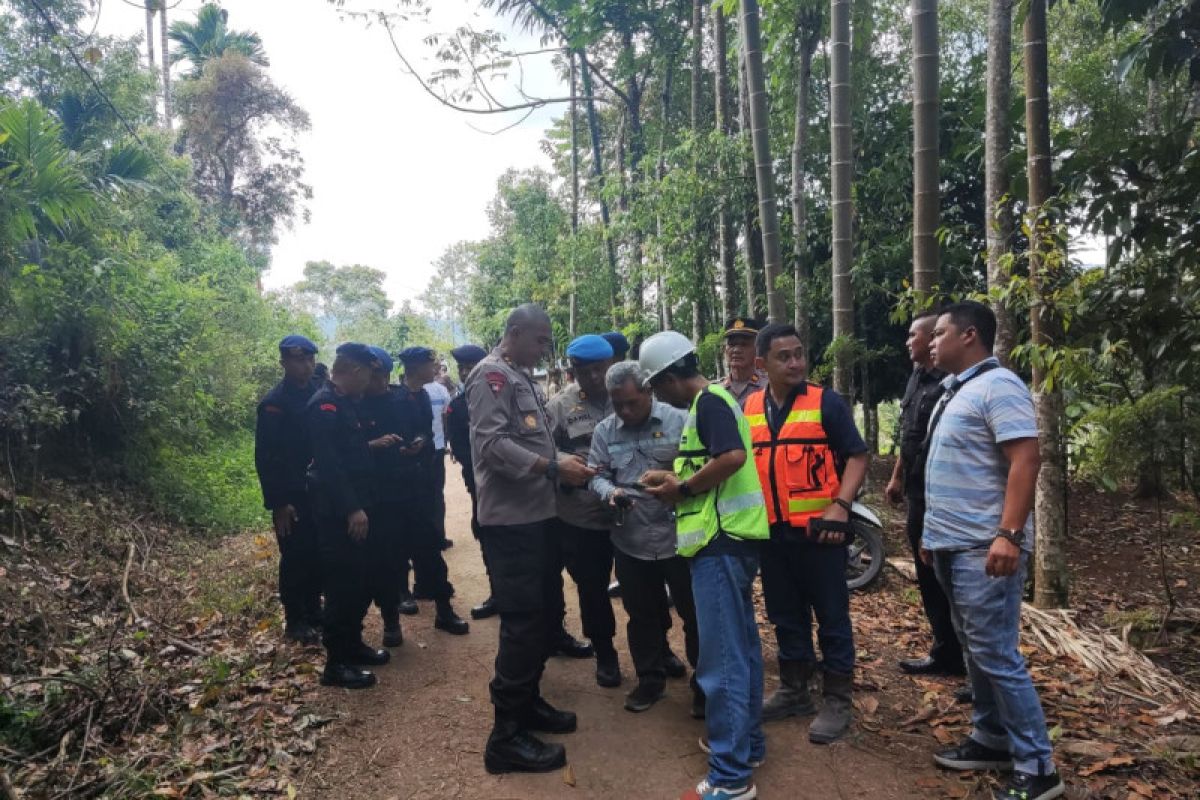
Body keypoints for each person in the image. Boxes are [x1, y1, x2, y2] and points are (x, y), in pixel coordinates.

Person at [924, 301, 1064, 800]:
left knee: (997, 654)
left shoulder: (999, 385)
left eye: (939, 333)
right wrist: (932, 537)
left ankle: (1038, 765)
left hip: (984, 547)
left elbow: (1026, 459)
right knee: (976, 650)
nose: (931, 341)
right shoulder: (960, 389)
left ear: (968, 336)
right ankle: (990, 737)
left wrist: (1008, 534)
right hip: (953, 544)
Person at [637, 330, 768, 800]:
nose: (657, 396)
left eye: (655, 385)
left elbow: (731, 458)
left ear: (671, 376)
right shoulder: (710, 404)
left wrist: (683, 490)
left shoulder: (709, 402)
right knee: (743, 650)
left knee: (722, 661)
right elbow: (714, 462)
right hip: (729, 542)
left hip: (719, 543)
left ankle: (730, 777)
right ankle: (747, 746)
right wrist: (675, 477)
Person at [467, 304, 596, 774]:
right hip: (511, 523)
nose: (546, 348)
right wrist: (552, 466)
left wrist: (569, 461)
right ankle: (505, 736)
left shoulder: (523, 377)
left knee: (541, 615)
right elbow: (491, 445)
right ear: (515, 333)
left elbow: (538, 443)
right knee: (521, 622)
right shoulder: (490, 378)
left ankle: (529, 704)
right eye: (541, 340)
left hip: (539, 515)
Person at [745, 323, 870, 745]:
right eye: (784, 356)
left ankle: (837, 697)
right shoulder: (748, 409)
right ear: (762, 364)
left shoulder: (825, 403)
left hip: (821, 536)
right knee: (784, 614)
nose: (796, 362)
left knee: (832, 616)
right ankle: (794, 688)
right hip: (771, 537)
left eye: (799, 353)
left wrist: (841, 505)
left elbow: (857, 455)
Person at [589, 360, 699, 714]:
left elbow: (699, 470)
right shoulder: (605, 430)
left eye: (631, 402)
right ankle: (650, 680)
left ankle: (705, 685)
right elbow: (597, 474)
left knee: (694, 614)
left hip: (680, 539)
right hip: (631, 540)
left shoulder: (679, 420)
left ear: (648, 390)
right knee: (642, 615)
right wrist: (610, 493)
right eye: (617, 403)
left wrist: (676, 483)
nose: (624, 410)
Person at [884, 313, 966, 679]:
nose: (909, 341)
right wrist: (897, 477)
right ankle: (945, 653)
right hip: (918, 494)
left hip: (946, 498)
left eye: (914, 335)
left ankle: (973, 666)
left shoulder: (954, 383)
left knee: (956, 582)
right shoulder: (917, 377)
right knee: (928, 577)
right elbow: (910, 435)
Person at [307, 343, 389, 690]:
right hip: (337, 512)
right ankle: (336, 663)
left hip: (355, 506)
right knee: (341, 585)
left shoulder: (343, 403)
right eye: (368, 375)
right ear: (354, 371)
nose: (369, 383)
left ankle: (353, 646)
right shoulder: (324, 406)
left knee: (358, 580)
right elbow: (330, 465)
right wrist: (352, 508)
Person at [546, 334, 622, 687]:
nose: (593, 377)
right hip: (582, 515)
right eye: (584, 371)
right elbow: (544, 452)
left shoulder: (629, 394)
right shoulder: (559, 406)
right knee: (592, 587)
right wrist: (562, 461)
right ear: (572, 369)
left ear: (610, 365)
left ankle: (655, 652)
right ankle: (604, 652)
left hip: (630, 513)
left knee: (642, 588)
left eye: (599, 369)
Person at [384, 346, 469, 634]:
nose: (435, 367)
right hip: (396, 486)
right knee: (396, 546)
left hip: (422, 478)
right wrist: (400, 449)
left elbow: (426, 429)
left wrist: (420, 440)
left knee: (431, 542)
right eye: (430, 363)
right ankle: (400, 597)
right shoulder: (392, 398)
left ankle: (443, 608)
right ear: (415, 366)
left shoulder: (423, 395)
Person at [255, 334, 324, 645]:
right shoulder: (274, 403)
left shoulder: (317, 392)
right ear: (283, 362)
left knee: (317, 553)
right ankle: (295, 619)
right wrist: (279, 502)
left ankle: (313, 609)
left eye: (309, 359)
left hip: (317, 489)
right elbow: (267, 456)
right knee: (295, 556)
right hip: (291, 493)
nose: (306, 365)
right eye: (299, 360)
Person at [446, 343, 497, 620]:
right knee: (485, 531)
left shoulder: (501, 395)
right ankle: (497, 592)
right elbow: (462, 450)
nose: (465, 373)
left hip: (512, 485)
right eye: (461, 368)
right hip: (480, 485)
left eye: (470, 367)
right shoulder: (457, 406)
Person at [422, 352, 454, 552]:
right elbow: (446, 418)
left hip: (422, 449)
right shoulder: (441, 391)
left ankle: (425, 539)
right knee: (436, 494)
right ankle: (438, 536)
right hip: (437, 446)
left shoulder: (412, 391)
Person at [720, 317, 767, 407]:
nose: (736, 350)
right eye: (732, 344)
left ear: (757, 349)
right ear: (725, 350)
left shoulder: (769, 387)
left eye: (744, 344)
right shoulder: (716, 390)